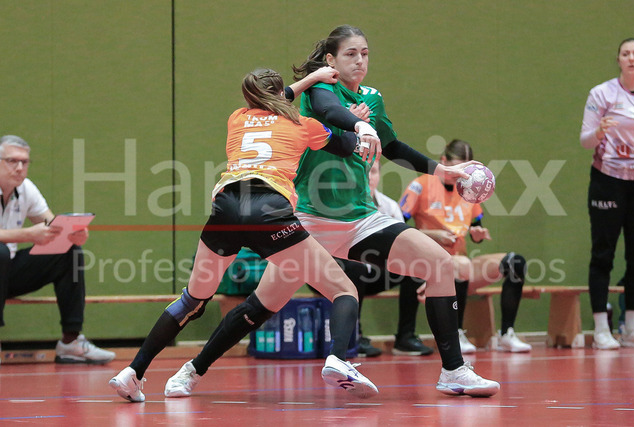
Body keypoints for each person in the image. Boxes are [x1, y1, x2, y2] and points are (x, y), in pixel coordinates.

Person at [163, 25, 500, 399]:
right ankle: (192, 370)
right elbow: (329, 111)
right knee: (261, 306)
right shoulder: (320, 90)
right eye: (351, 54)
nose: (360, 61)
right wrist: (358, 124)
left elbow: (392, 147)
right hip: (310, 221)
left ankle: (453, 371)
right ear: (331, 60)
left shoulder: (372, 98)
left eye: (365, 53)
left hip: (361, 219)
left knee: (440, 265)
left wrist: (441, 171)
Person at [110, 67, 382, 402]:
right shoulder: (303, 124)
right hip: (269, 210)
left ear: (250, 97)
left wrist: (309, 80)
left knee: (192, 300)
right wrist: (356, 123)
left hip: (225, 208)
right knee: (343, 290)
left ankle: (133, 372)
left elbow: (277, 98)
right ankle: (339, 359)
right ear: (279, 94)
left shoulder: (237, 118)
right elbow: (347, 146)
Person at [400, 139, 531, 354]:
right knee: (461, 265)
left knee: (515, 262)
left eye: (466, 169)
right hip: (429, 264)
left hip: (460, 265)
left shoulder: (468, 190)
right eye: (457, 167)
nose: (460, 174)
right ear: (443, 161)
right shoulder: (421, 185)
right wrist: (433, 235)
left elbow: (476, 228)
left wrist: (477, 234)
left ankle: (506, 333)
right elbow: (398, 227)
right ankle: (456, 334)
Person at [0, 135, 115, 364]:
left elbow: (52, 224)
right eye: (12, 161)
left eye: (24, 162)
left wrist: (73, 234)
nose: (20, 167)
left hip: (7, 272)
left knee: (68, 251)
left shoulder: (26, 188)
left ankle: (71, 342)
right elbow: (28, 234)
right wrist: (27, 234)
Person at [580, 37, 634, 350]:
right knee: (603, 253)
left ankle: (632, 327)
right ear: (618, 60)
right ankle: (602, 329)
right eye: (625, 53)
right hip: (608, 180)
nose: (631, 58)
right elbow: (585, 141)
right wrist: (600, 131)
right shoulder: (601, 94)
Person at [346, 159, 433, 357]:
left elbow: (405, 247)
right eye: (363, 171)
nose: (369, 177)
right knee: (355, 267)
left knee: (415, 267)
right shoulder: (338, 206)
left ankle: (405, 338)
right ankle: (354, 336)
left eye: (373, 172)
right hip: (339, 273)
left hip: (374, 273)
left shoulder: (390, 207)